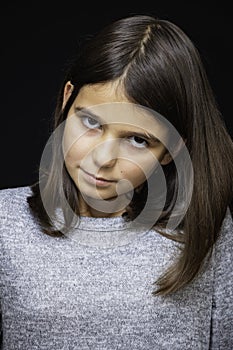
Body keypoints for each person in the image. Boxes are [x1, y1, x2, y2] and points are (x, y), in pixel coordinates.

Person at [0, 13, 232, 349]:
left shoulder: (207, 227)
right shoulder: (5, 224)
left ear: (170, 150)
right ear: (67, 101)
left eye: (138, 139)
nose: (103, 157)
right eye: (91, 122)